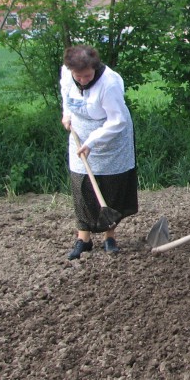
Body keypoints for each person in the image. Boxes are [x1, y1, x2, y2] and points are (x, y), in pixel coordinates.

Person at [59, 45, 138, 260]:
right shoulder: (68, 73)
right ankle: (83, 239)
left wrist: (93, 141)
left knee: (110, 185)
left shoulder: (109, 83)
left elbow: (117, 120)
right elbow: (66, 95)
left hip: (111, 135)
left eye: (87, 76)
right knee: (82, 183)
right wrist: (66, 114)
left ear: (95, 68)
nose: (83, 80)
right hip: (80, 133)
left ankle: (109, 237)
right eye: (79, 76)